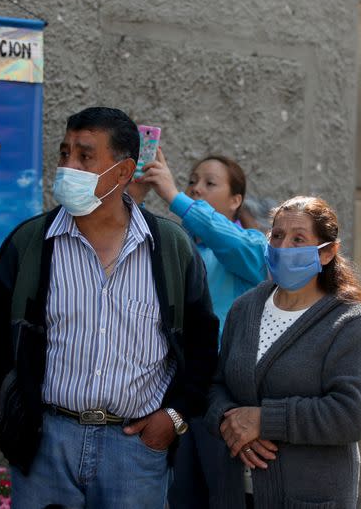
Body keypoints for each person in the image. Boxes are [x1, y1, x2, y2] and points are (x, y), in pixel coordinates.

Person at [0, 107, 219, 509]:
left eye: (85, 156)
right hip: (46, 444)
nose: (68, 166)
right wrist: (22, 407)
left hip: (136, 450)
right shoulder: (30, 243)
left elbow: (203, 347)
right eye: (64, 153)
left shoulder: (171, 248)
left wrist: (172, 419)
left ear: (123, 173)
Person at [206, 195, 361, 509]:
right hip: (237, 491)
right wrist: (227, 422)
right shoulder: (245, 308)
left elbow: (350, 415)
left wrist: (264, 420)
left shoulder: (350, 322)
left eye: (298, 239)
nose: (283, 247)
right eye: (277, 235)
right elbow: (217, 385)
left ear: (327, 253)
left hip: (310, 497)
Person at [129, 150, 268, 508]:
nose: (196, 189)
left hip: (224, 393)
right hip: (180, 389)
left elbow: (230, 242)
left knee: (223, 493)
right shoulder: (179, 245)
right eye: (191, 182)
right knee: (180, 493)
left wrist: (174, 197)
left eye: (209, 183)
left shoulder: (250, 247)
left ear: (236, 200)